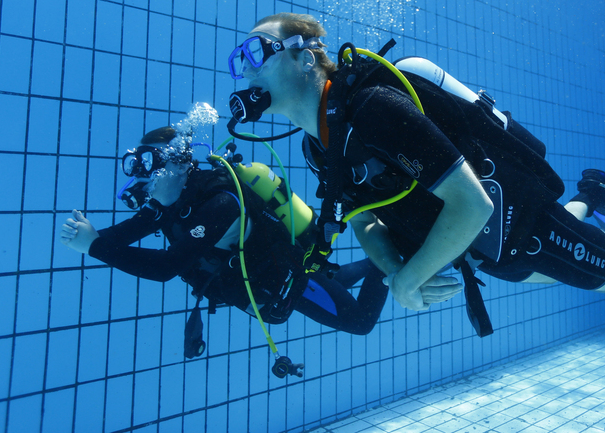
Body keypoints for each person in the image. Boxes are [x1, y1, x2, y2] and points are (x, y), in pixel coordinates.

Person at [224, 12, 605, 331]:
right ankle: (594, 192)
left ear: (304, 57)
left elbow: (473, 203)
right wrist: (394, 271)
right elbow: (362, 219)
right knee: (580, 255)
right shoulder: (321, 145)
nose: (245, 68)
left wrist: (409, 279)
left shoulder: (373, 110)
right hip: (489, 249)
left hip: (517, 225)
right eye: (237, 61)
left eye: (255, 52)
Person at [59, 125, 389, 365]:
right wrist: (94, 237)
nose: (144, 177)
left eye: (152, 165)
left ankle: (388, 261)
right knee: (329, 282)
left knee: (359, 323)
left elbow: (165, 268)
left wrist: (94, 247)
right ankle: (376, 262)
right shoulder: (169, 203)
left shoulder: (220, 202)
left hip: (285, 278)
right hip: (264, 283)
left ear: (179, 165)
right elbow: (120, 236)